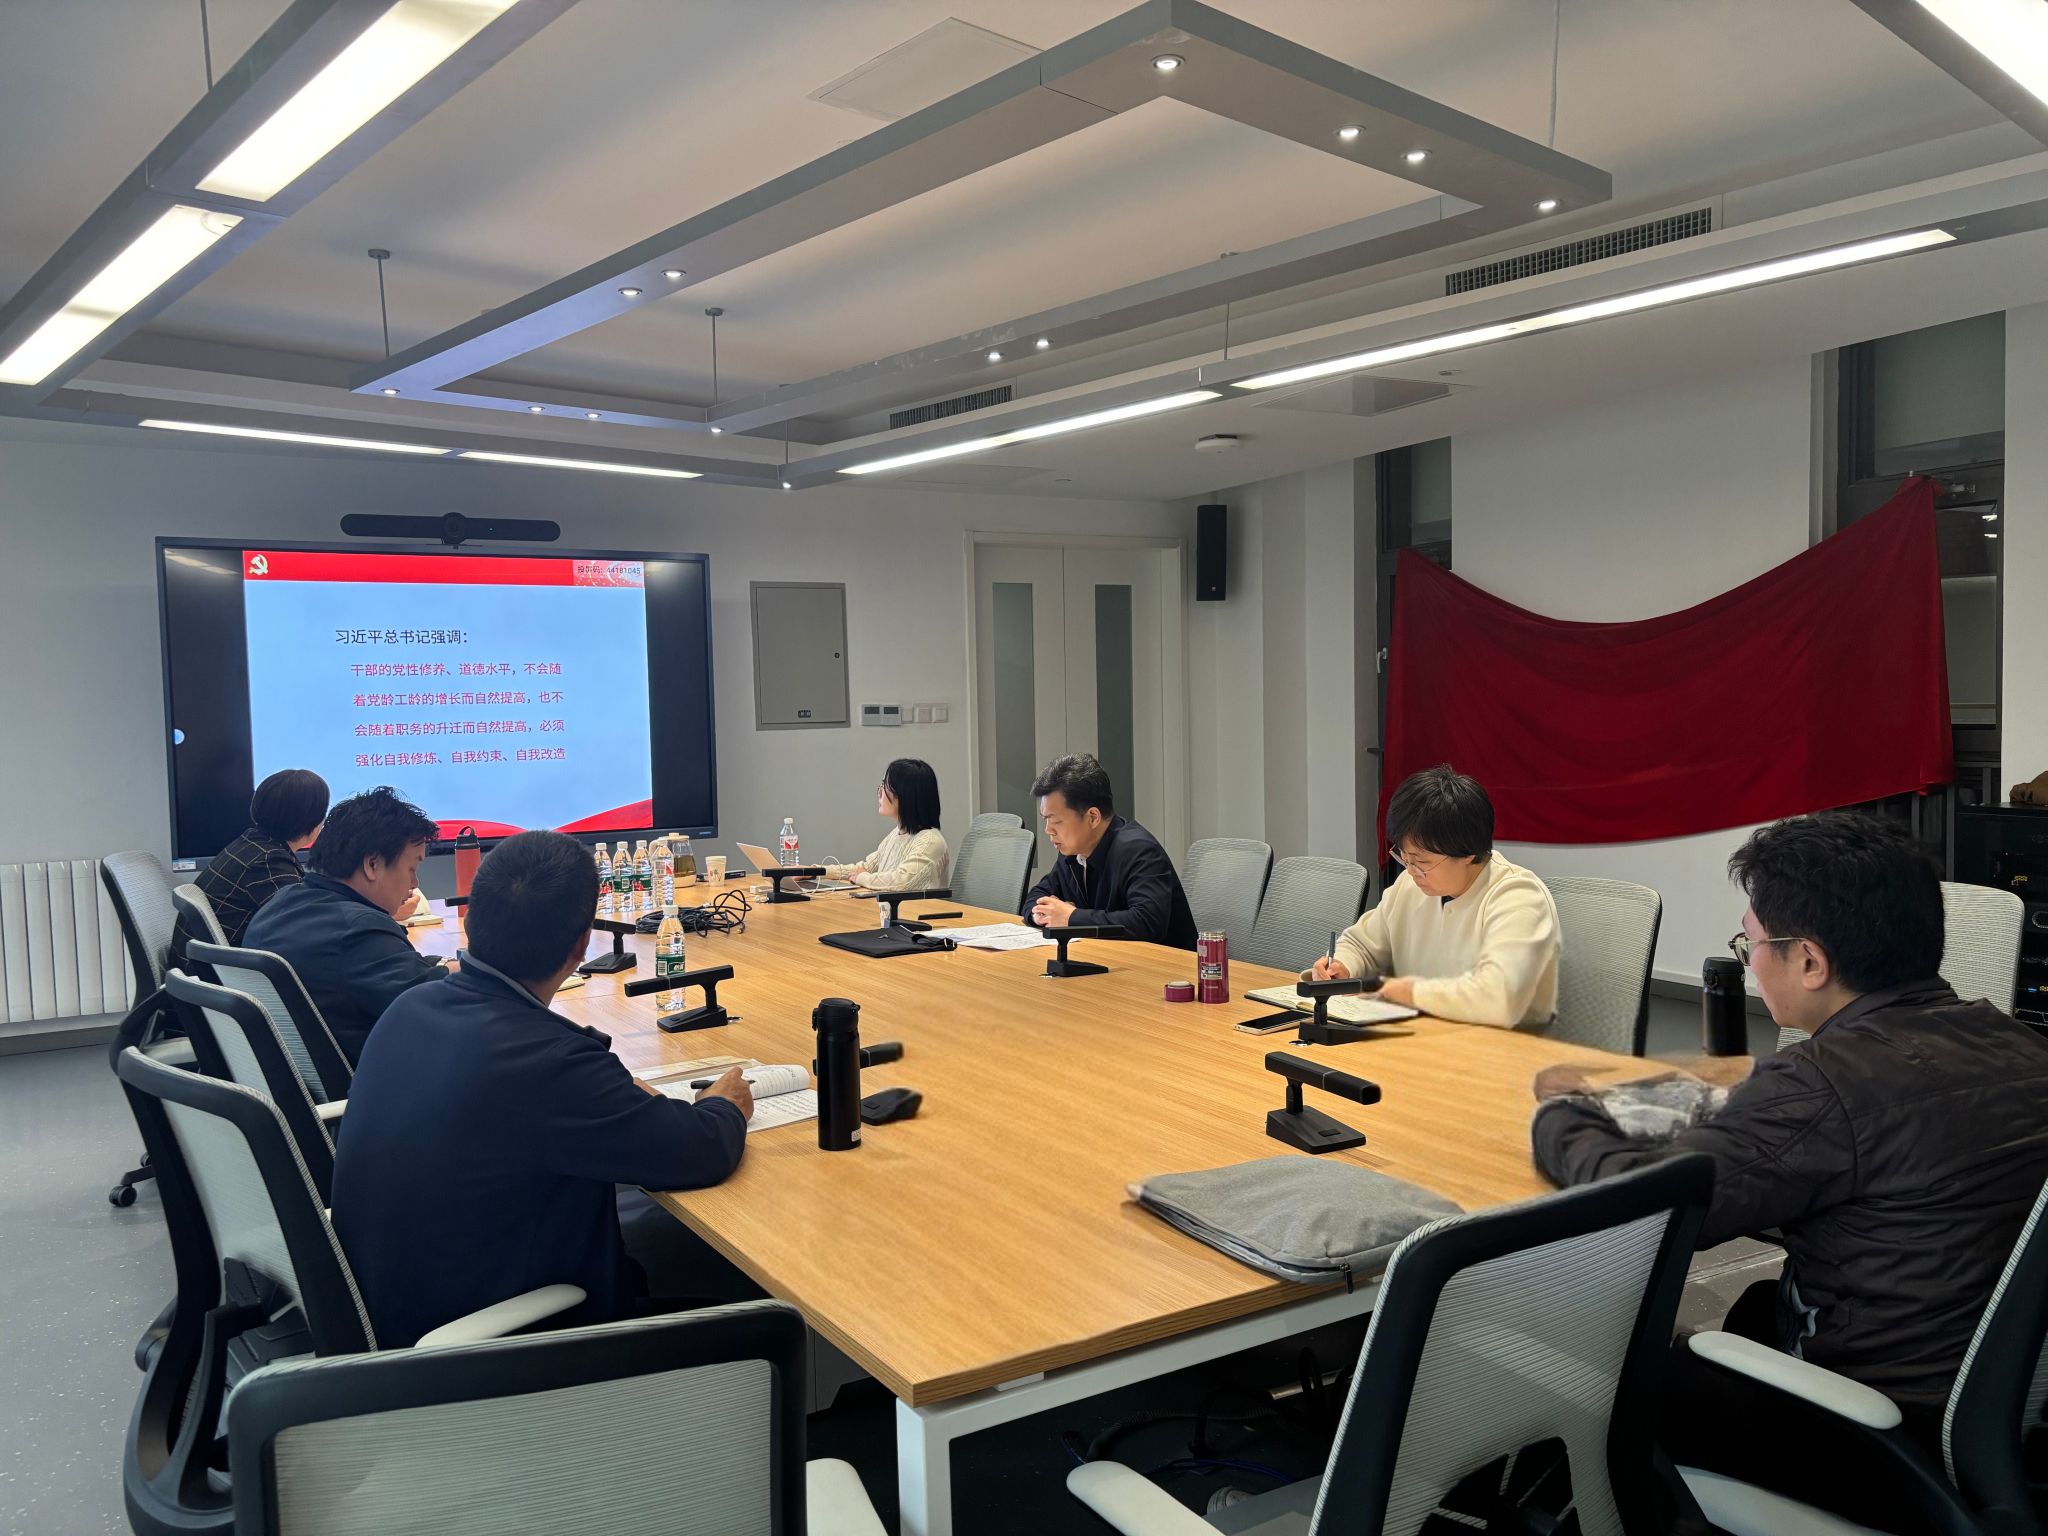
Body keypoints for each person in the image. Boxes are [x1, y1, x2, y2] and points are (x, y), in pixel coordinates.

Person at [1532, 812, 2048, 1516]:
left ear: (1809, 961)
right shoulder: (2019, 1045)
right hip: (1999, 1415)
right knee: (1750, 1311)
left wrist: (1561, 1114)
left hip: (1884, 1438)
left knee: (1608, 1379)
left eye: (1751, 943)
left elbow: (1644, 1210)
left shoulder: (1822, 1082)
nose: (1749, 960)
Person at [331, 830, 753, 1347]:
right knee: (765, 1318)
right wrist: (725, 1107)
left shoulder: (411, 1008)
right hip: (489, 1352)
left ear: (472, 922)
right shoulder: (551, 1064)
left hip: (397, 1306)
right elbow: (700, 1152)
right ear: (581, 944)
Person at [1311, 766, 1558, 1027]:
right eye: (1404, 857)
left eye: (1421, 861)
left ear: (1468, 853)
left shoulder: (1518, 897)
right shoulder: (1410, 885)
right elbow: (1363, 944)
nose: (1410, 870)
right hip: (1423, 1034)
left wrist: (1412, 993)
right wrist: (1342, 965)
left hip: (1502, 1044)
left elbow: (1500, 999)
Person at [242, 785, 448, 1064]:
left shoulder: (284, 902)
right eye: (412, 868)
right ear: (372, 864)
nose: (414, 883)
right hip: (372, 1083)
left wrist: (447, 967)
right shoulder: (358, 930)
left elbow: (389, 973)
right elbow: (441, 1009)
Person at [1021, 753, 1197, 949]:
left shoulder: (1139, 850)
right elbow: (1038, 894)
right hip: (1109, 957)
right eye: (1045, 820)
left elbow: (1147, 921)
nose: (1048, 830)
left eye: (1056, 821)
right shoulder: (1073, 852)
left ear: (1093, 817)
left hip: (1164, 964)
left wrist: (1071, 917)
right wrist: (1040, 915)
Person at [170, 768, 328, 966]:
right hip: (217, 978)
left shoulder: (251, 844)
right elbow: (305, 933)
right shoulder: (269, 864)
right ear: (312, 822)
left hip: (198, 972)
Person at [824, 758, 950, 892]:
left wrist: (862, 877)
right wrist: (817, 871)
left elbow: (902, 882)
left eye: (885, 786)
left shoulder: (930, 841)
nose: (879, 792)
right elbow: (864, 868)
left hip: (914, 906)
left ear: (905, 795)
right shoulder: (896, 834)